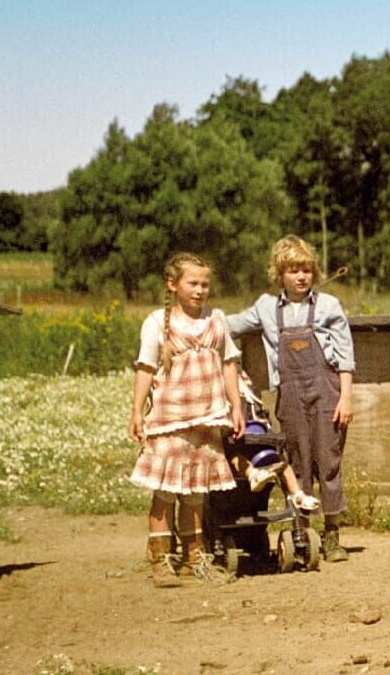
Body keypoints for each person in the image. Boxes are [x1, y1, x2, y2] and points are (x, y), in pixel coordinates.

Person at [228, 236, 356, 562]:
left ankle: (332, 534)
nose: (300, 277)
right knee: (297, 461)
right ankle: (303, 532)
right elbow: (230, 325)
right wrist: (197, 322)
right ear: (280, 274)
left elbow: (345, 355)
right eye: (293, 270)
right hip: (290, 395)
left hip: (327, 392)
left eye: (306, 270)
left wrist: (346, 398)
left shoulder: (328, 306)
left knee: (327, 460)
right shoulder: (266, 307)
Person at [129, 251, 245, 586]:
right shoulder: (156, 323)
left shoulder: (217, 320)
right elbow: (145, 369)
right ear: (173, 284)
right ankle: (161, 559)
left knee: (196, 492)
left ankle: (195, 557)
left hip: (207, 418)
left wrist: (235, 406)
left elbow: (229, 364)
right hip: (170, 420)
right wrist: (137, 411)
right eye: (192, 283)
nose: (200, 290)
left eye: (205, 284)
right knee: (165, 491)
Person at [235, 370, 321, 513]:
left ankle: (297, 494)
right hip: (236, 441)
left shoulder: (244, 381)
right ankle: (253, 474)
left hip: (256, 435)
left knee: (281, 462)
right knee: (234, 456)